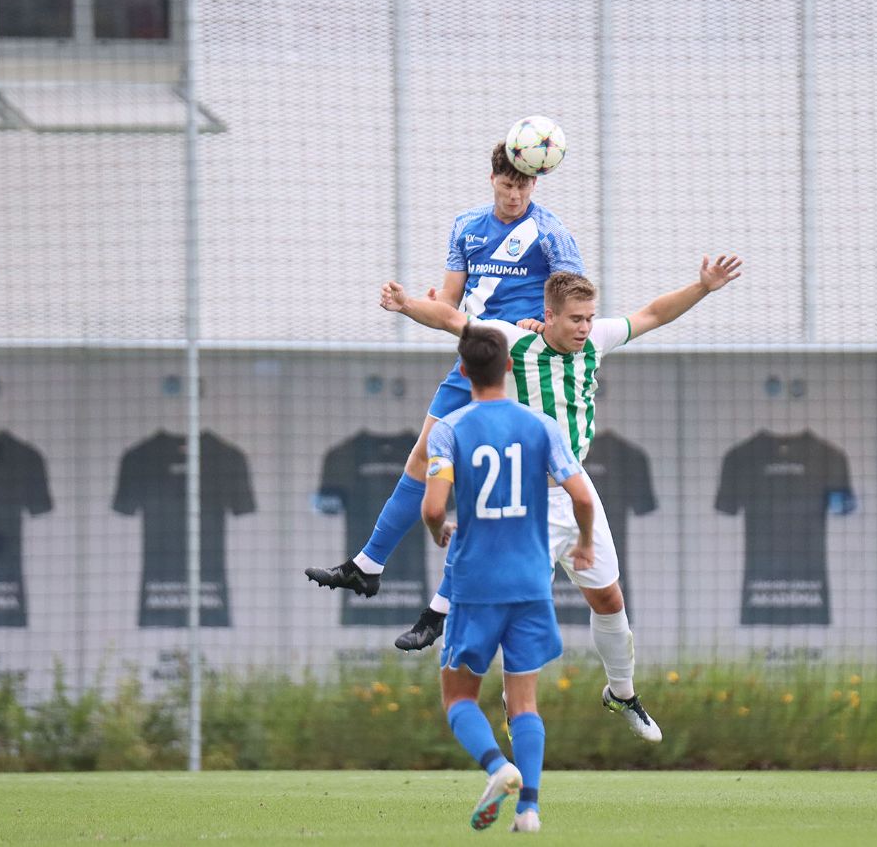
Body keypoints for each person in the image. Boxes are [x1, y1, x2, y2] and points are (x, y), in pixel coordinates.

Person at [381, 254, 744, 743]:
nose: (585, 327)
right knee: (517, 604)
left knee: (608, 597)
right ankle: (507, 698)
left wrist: (702, 287)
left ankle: (622, 693)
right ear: (548, 315)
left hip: (573, 487)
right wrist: (406, 305)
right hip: (524, 496)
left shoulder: (595, 340)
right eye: (575, 319)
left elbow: (654, 314)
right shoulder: (513, 340)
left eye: (590, 317)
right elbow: (451, 319)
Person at [305, 140, 582, 604]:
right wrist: (409, 304)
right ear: (492, 179)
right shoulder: (466, 226)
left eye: (524, 186)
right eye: (507, 185)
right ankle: (368, 565)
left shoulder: (552, 233)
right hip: (475, 359)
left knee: (502, 483)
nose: (515, 195)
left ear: (536, 182)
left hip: (527, 368)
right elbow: (449, 305)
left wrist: (545, 323)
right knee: (422, 455)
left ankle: (445, 606)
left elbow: (576, 303)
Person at [428, 324, 594, 833]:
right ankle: (529, 810)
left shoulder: (449, 429)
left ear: (463, 370)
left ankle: (498, 768)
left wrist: (439, 529)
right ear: (507, 366)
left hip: (476, 583)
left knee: (458, 697)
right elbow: (582, 497)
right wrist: (586, 543)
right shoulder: (542, 426)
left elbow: (432, 507)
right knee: (524, 702)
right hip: (529, 582)